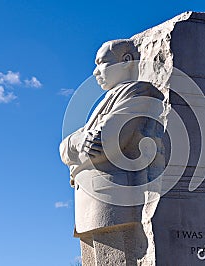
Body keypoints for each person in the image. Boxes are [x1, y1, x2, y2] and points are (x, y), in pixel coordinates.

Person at [59, 39, 165, 236]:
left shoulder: (137, 91)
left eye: (102, 63)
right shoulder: (110, 99)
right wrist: (78, 142)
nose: (95, 72)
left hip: (111, 202)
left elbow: (105, 144)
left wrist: (77, 153)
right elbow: (64, 148)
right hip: (92, 204)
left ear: (126, 61)